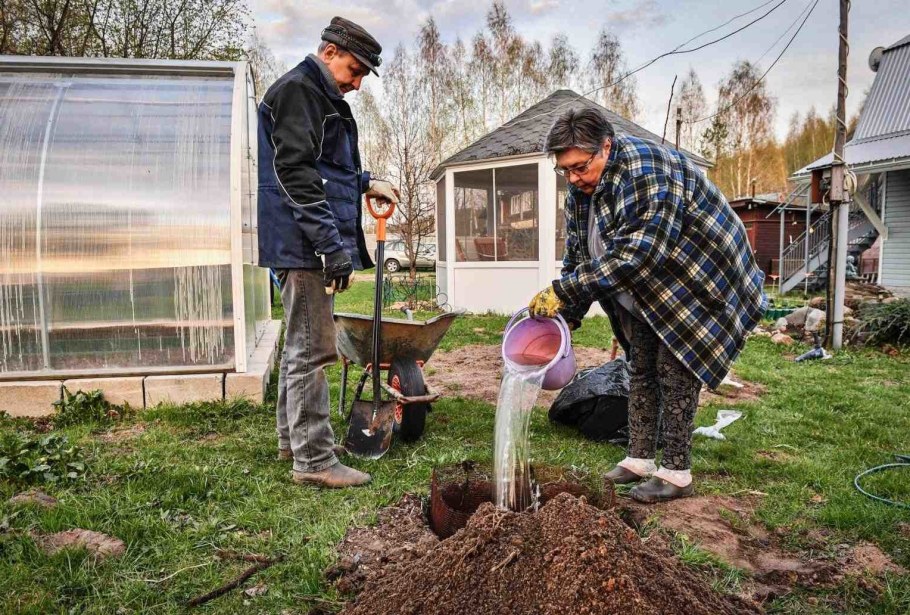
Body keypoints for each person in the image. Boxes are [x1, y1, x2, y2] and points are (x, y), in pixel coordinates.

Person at [529, 107, 766, 503]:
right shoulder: (581, 191)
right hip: (647, 286)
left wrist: (566, 289)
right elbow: (579, 255)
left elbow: (639, 256)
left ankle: (676, 473)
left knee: (675, 369)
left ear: (606, 146)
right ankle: (639, 459)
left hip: (697, 276)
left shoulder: (648, 170)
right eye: (564, 170)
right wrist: (565, 314)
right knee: (640, 366)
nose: (573, 178)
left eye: (580, 167)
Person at [258, 17, 399, 488]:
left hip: (301, 240)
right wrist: (330, 247)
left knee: (299, 346)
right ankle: (314, 460)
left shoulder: (315, 94)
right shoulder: (301, 91)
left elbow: (324, 167)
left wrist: (366, 182)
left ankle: (294, 442)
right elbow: (297, 174)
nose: (357, 84)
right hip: (303, 243)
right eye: (354, 71)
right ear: (329, 52)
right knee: (313, 351)